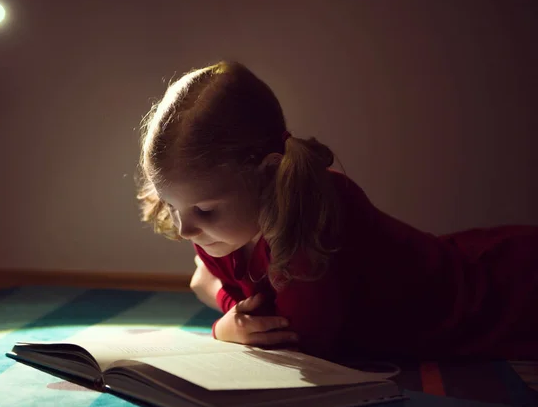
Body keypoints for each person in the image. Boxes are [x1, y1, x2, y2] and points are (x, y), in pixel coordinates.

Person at [136, 60, 538, 361]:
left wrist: (223, 316)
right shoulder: (215, 225)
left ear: (269, 174)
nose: (185, 229)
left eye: (204, 209)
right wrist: (225, 302)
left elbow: (301, 343)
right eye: (172, 206)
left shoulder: (315, 209)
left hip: (491, 296)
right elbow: (209, 280)